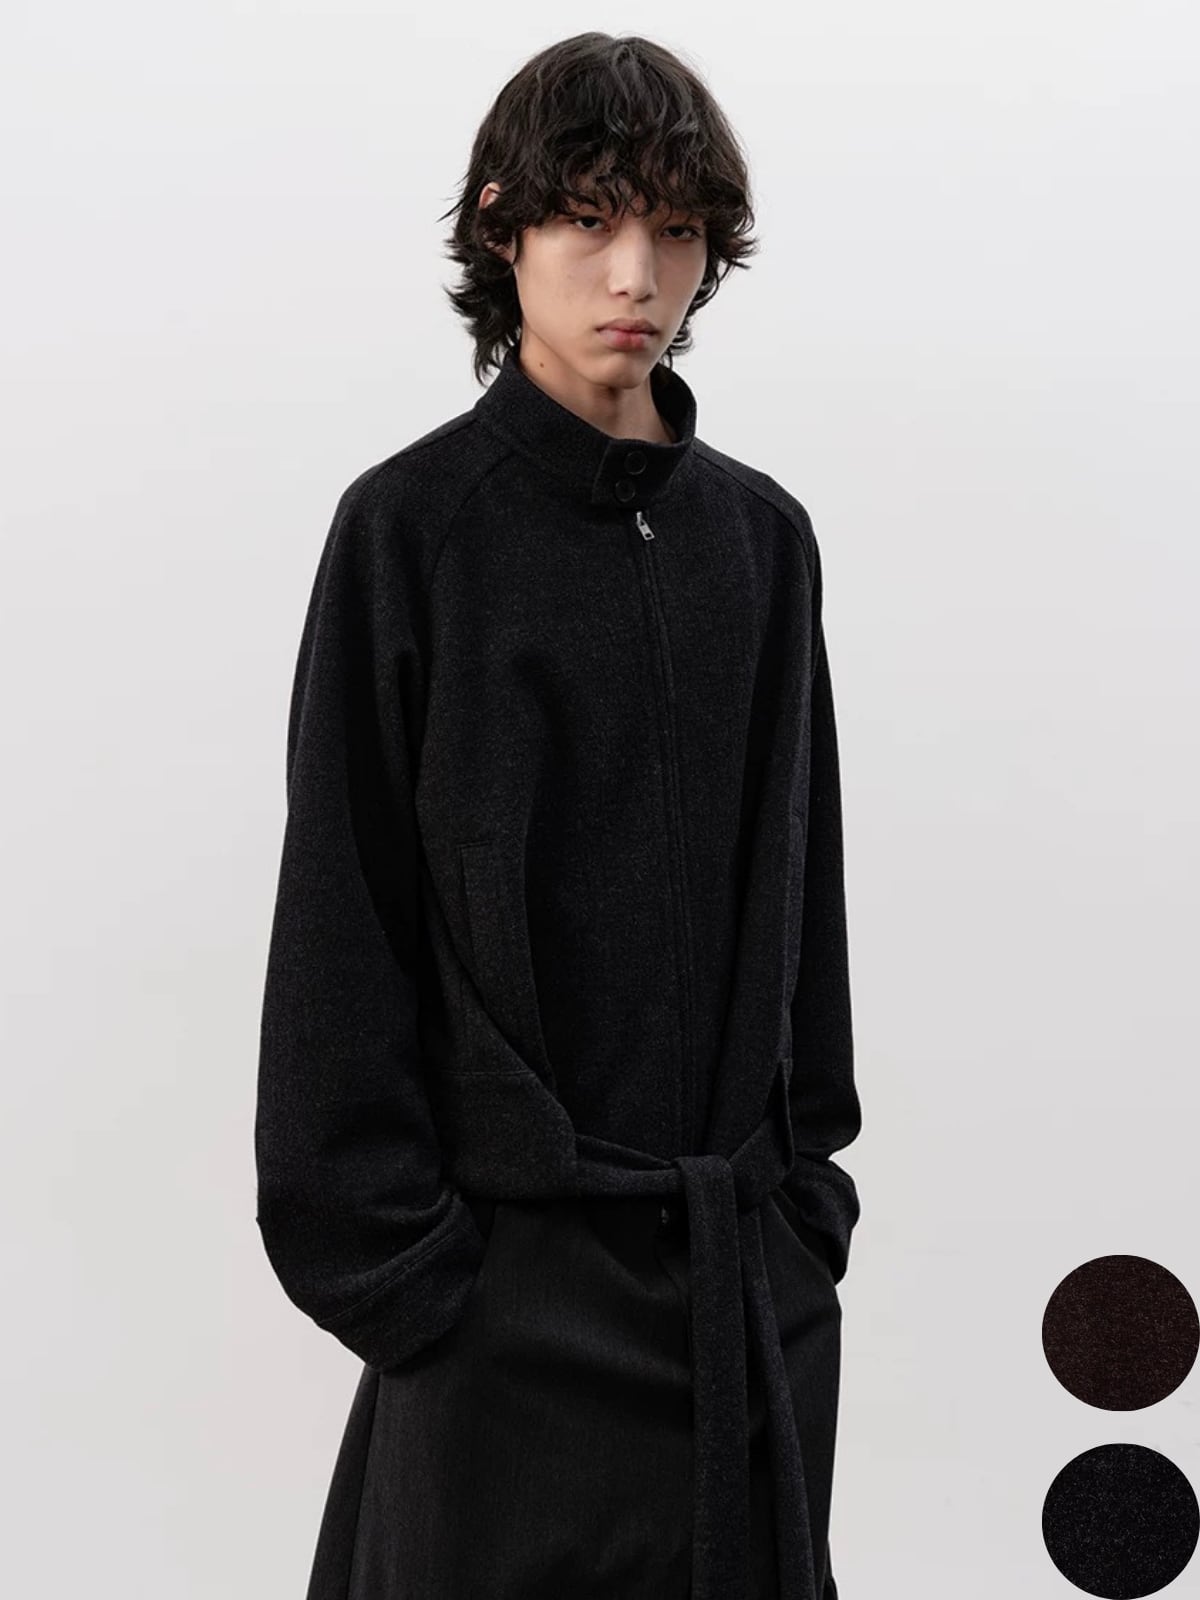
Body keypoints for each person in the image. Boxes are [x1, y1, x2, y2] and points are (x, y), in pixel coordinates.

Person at [255, 30, 862, 1600]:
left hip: (738, 1302)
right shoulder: (411, 534)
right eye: (590, 221)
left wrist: (804, 1216)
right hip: (499, 1322)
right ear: (503, 227)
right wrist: (414, 1282)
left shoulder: (763, 543)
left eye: (676, 229)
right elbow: (343, 918)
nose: (635, 274)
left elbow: (805, 906)